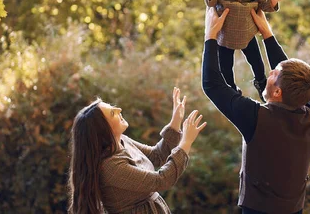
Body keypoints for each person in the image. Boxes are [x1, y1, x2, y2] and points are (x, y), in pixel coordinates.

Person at [202, 7, 310, 214]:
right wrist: (266, 31)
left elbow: (212, 85)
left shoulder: (256, 118)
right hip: (294, 209)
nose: (271, 70)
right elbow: (289, 77)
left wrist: (210, 36)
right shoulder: (308, 111)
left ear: (277, 93)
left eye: (275, 74)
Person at [67, 87, 207, 214]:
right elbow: (161, 180)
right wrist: (186, 143)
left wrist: (175, 121)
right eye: (112, 113)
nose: (119, 110)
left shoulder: (122, 141)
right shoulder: (111, 166)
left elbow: (157, 155)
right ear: (103, 129)